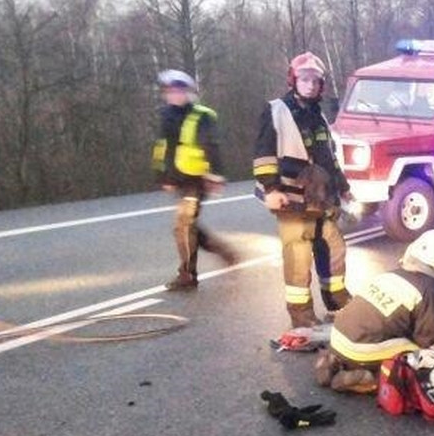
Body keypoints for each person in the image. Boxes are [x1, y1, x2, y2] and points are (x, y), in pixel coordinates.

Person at [253, 52, 354, 328]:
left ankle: (337, 302)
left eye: (315, 80)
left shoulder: (318, 115)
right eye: (304, 79)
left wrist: (343, 188)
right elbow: (263, 154)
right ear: (293, 80)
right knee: (298, 257)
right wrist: (271, 189)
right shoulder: (276, 110)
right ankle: (301, 316)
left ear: (321, 84)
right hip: (292, 201)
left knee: (333, 248)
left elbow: (328, 158)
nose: (310, 84)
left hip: (322, 199)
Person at [315, 229, 434, 393]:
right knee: (424, 357)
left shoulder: (392, 274)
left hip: (338, 337)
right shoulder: (429, 290)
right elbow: (432, 339)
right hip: (360, 349)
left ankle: (332, 361)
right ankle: (368, 379)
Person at [151, 69, 237, 290]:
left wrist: (215, 175)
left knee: (184, 226)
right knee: (188, 227)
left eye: (179, 91)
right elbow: (162, 147)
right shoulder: (165, 115)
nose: (175, 95)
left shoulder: (202, 116)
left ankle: (187, 276)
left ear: (189, 93)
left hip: (198, 178)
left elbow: (211, 146)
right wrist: (161, 175)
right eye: (170, 91)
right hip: (178, 177)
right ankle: (225, 252)